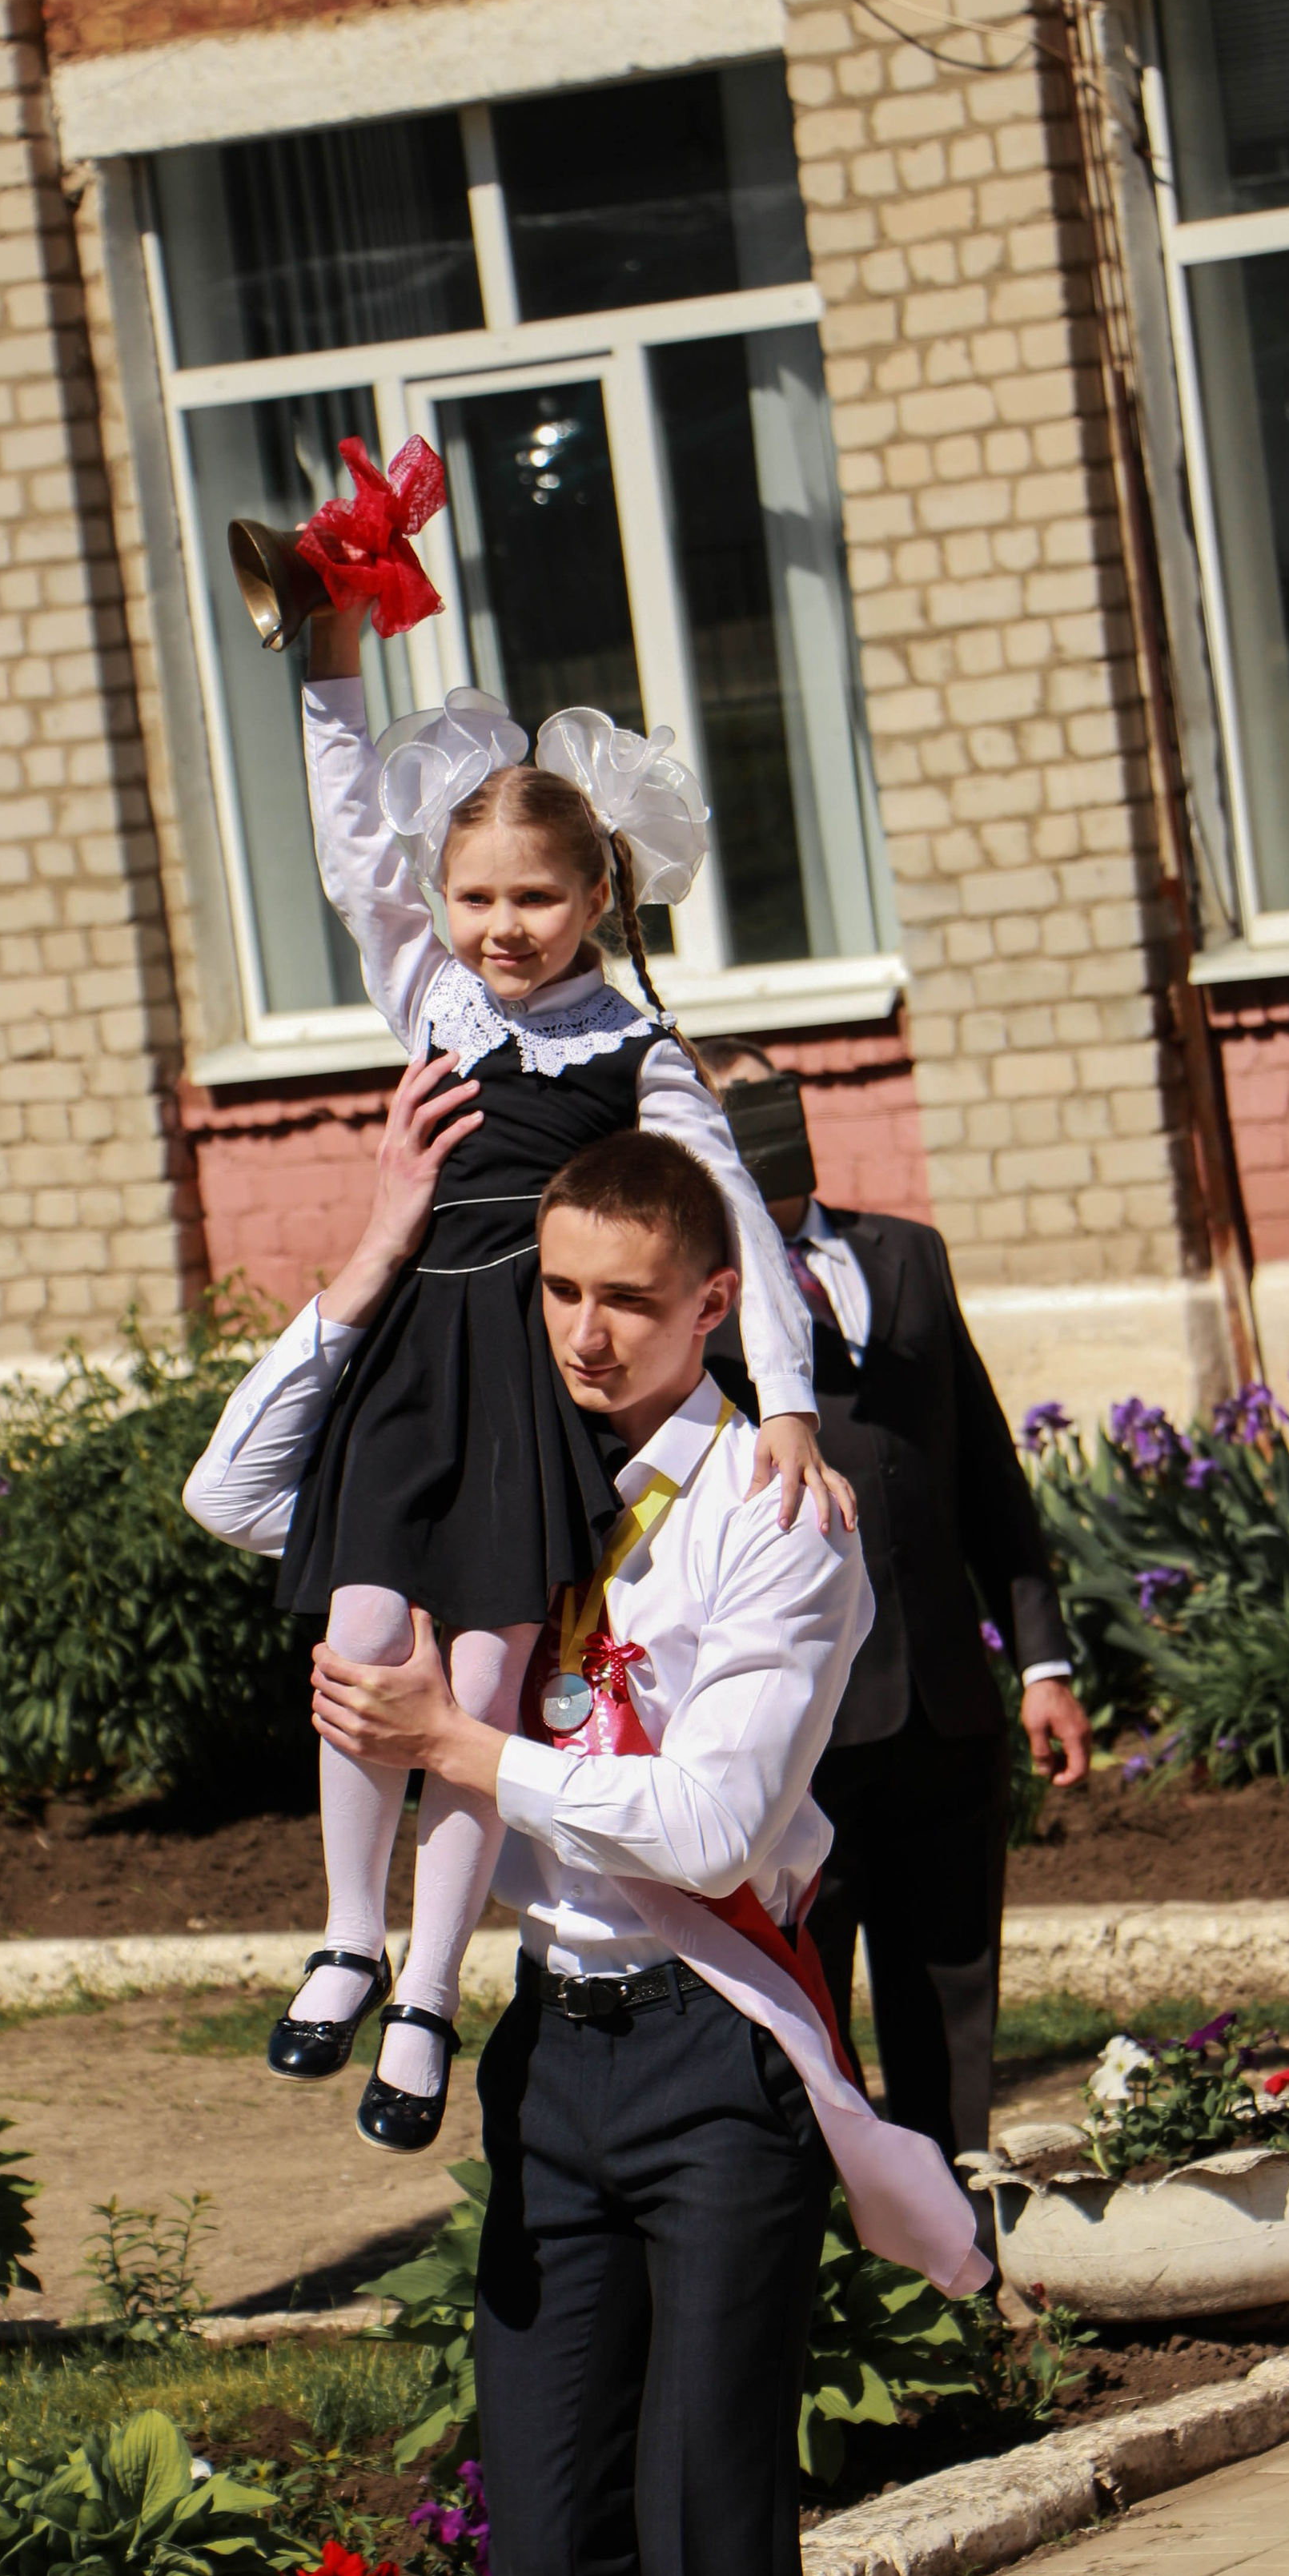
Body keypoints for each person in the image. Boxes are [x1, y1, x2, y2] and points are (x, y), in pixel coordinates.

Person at [309, 1123, 986, 2576]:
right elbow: (245, 1494)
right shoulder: (506, 1483)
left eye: (627, 1301)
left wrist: (461, 1751)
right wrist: (376, 1254)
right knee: (549, 2554)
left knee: (711, 2548)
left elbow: (703, 1832)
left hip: (720, 2058)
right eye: (556, 1293)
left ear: (714, 1304)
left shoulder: (780, 1514)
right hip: (557, 2059)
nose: (585, 1336)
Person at [196, 597, 847, 2152]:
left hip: (520, 1386)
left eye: (536, 900)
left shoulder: (638, 1049)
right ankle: (349, 1936)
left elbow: (736, 1234)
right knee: (360, 1644)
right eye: (475, 896)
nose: (502, 927)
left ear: (595, 890)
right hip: (413, 1361)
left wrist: (792, 1402)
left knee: (477, 1686)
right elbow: (352, 844)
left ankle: (428, 1992)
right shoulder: (423, 993)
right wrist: (331, 668)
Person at [704, 1045, 1090, 2160]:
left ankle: (957, 2228)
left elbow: (985, 1472)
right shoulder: (702, 1292)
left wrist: (1044, 1662)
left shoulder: (905, 1254)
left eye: (770, 1105)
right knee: (806, 1997)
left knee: (952, 1990)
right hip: (798, 1726)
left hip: (943, 1709)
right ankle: (854, 2237)